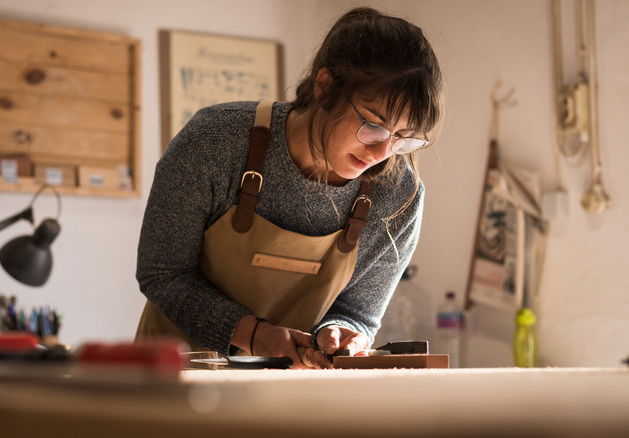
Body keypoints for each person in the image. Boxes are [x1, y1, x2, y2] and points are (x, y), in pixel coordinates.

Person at [135, 7, 443, 369]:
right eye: (374, 125)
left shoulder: (398, 195)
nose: (381, 153)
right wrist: (254, 335)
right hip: (173, 379)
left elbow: (358, 313)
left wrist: (343, 334)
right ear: (325, 87)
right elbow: (163, 272)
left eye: (403, 138)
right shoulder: (216, 141)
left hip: (289, 393)